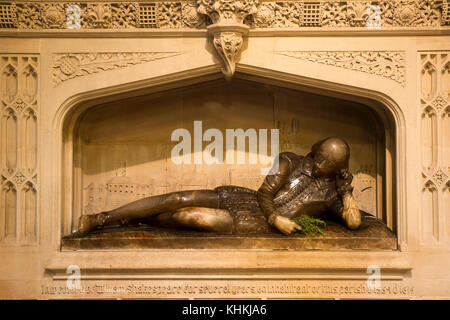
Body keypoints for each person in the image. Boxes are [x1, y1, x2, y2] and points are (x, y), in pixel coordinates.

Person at [75, 137, 361, 236]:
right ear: (316, 150)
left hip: (253, 224)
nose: (322, 163)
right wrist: (277, 218)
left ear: (337, 167)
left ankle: (136, 222)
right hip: (249, 203)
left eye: (330, 163)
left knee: (187, 216)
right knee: (179, 197)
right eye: (322, 156)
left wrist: (345, 191)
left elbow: (353, 223)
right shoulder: (288, 160)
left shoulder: (330, 194)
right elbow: (264, 193)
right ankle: (105, 218)